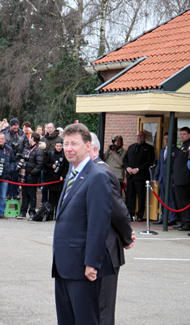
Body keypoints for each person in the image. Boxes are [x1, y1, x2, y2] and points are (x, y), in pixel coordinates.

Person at [52, 123, 113, 325]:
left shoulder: (97, 177)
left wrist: (91, 263)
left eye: (74, 144)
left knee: (85, 320)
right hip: (64, 265)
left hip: (82, 268)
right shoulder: (72, 173)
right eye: (66, 143)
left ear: (88, 147)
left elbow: (99, 224)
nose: (69, 148)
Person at [89, 132, 134, 325]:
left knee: (103, 309)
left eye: (79, 145)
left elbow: (117, 210)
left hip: (106, 250)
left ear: (94, 149)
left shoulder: (103, 172)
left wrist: (127, 238)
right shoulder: (83, 170)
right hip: (90, 250)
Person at [123, 131, 155, 221]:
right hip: (130, 176)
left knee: (141, 197)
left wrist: (138, 169)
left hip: (141, 177)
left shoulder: (149, 148)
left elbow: (149, 161)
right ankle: (130, 214)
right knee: (130, 196)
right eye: (138, 136)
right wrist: (127, 168)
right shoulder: (131, 147)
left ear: (144, 137)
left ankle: (140, 215)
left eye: (141, 136)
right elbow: (125, 159)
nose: (139, 137)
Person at [153, 132, 180, 225]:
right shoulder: (162, 150)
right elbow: (159, 165)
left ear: (172, 139)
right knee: (163, 199)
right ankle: (163, 217)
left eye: (168, 138)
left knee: (171, 198)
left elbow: (177, 167)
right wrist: (155, 177)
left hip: (171, 179)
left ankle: (172, 218)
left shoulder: (176, 151)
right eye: (165, 138)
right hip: (162, 179)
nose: (166, 140)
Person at [172, 127, 190, 232]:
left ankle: (187, 222)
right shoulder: (182, 146)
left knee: (185, 202)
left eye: (184, 134)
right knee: (179, 202)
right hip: (178, 179)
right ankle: (182, 221)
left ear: (189, 135)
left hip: (184, 179)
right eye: (180, 134)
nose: (182, 136)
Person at [18, 132, 45, 220]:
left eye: (30, 137)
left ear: (33, 138)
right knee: (24, 193)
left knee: (32, 194)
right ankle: (23, 211)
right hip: (24, 174)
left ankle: (32, 211)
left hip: (32, 175)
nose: (29, 139)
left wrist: (32, 173)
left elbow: (39, 164)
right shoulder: (27, 149)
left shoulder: (38, 150)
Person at [1, 118, 28, 200]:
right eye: (14, 125)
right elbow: (1, 143)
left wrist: (22, 156)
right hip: (7, 158)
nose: (16, 127)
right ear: (11, 125)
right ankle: (8, 194)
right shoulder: (4, 132)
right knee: (8, 176)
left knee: (15, 177)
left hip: (18, 158)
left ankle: (15, 194)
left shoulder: (22, 134)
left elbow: (26, 147)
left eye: (17, 125)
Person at [42, 139, 68, 216]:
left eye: (60, 146)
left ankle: (57, 214)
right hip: (52, 179)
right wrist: (51, 166)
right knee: (51, 198)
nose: (59, 147)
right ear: (55, 146)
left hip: (60, 179)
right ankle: (50, 214)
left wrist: (62, 176)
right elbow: (45, 164)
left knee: (59, 198)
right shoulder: (51, 154)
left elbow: (66, 167)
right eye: (57, 146)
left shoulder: (64, 155)